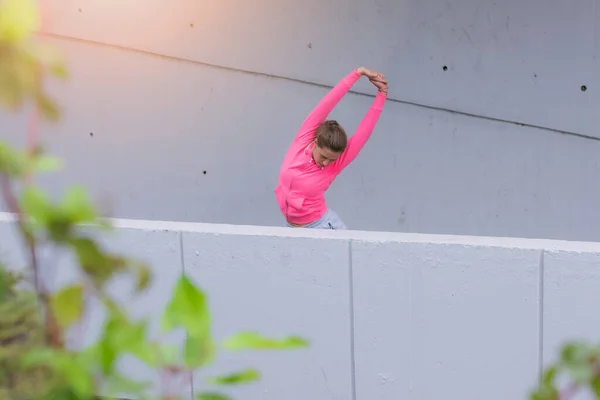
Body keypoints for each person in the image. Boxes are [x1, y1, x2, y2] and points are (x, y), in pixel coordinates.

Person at [274, 66, 388, 229]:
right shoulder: (303, 139)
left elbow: (364, 132)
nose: (327, 163)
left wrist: (382, 94)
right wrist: (357, 73)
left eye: (332, 159)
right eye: (324, 157)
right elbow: (327, 103)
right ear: (315, 143)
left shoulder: (335, 164)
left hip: (321, 227)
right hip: (290, 228)